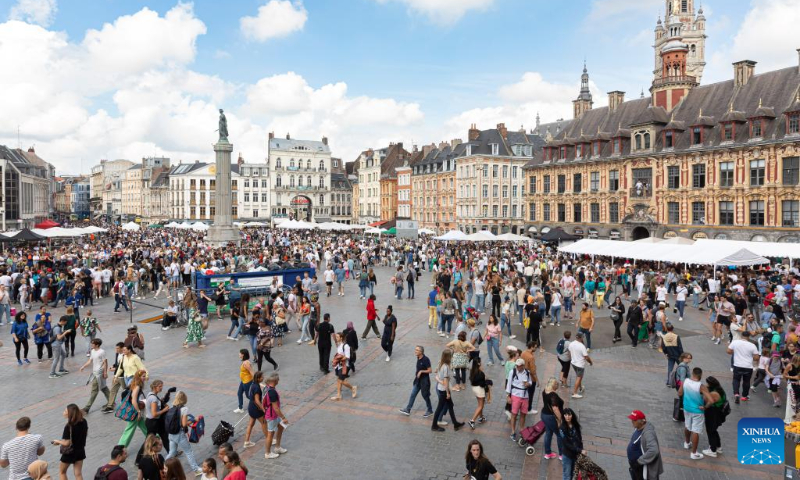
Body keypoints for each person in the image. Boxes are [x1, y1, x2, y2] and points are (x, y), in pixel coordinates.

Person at [678, 367, 714, 460]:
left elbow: (680, 393)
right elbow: (711, 400)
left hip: (686, 408)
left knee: (687, 426)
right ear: (700, 375)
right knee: (696, 431)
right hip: (697, 411)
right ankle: (694, 453)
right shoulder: (701, 386)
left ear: (692, 374)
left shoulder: (685, 381)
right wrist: (705, 407)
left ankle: (687, 443)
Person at [164, 392, 202, 475]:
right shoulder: (184, 409)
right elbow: (184, 424)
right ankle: (196, 469)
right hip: (179, 435)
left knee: (172, 452)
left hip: (171, 434)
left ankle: (163, 467)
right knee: (189, 452)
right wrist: (194, 420)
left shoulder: (173, 407)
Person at [431, 349, 464, 432]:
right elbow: (445, 381)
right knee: (439, 408)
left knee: (450, 406)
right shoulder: (446, 367)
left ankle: (455, 423)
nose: (452, 357)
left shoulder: (440, 363)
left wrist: (440, 381)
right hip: (444, 390)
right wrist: (447, 393)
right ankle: (434, 426)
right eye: (451, 356)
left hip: (441, 388)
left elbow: (436, 375)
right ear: (448, 357)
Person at [53, 404, 88, 480]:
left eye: (65, 411)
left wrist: (58, 441)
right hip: (80, 450)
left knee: (62, 472)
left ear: (70, 414)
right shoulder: (84, 421)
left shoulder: (69, 426)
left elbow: (67, 443)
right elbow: (85, 434)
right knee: (78, 474)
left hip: (70, 452)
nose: (63, 412)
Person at [627, 410, 663, 480]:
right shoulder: (637, 428)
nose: (632, 421)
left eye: (634, 420)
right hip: (635, 466)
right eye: (632, 419)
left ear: (642, 421)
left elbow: (654, 450)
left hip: (642, 467)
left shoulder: (648, 434)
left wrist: (639, 462)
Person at [399, 345, 433, 417]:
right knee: (413, 394)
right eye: (415, 350)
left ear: (421, 352)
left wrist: (421, 371)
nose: (415, 351)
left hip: (424, 382)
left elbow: (430, 370)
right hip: (418, 381)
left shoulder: (426, 359)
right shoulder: (418, 357)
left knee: (425, 396)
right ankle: (408, 409)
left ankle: (430, 410)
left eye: (417, 350)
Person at [727, 331, 760, 403]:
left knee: (736, 380)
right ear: (749, 336)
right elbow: (757, 358)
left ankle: (736, 394)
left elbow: (728, 351)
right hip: (748, 366)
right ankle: (744, 396)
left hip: (737, 365)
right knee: (746, 381)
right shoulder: (752, 345)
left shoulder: (735, 342)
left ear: (741, 335)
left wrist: (735, 353)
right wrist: (751, 357)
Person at [79, 338, 110, 413]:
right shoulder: (92, 351)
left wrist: (105, 372)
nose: (91, 344)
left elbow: (105, 362)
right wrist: (83, 366)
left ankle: (87, 408)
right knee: (103, 387)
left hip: (100, 372)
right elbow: (90, 360)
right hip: (95, 372)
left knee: (94, 390)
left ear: (97, 345)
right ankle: (111, 402)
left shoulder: (102, 352)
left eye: (93, 343)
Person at [118, 370, 148, 447]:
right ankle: (121, 447)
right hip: (134, 411)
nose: (145, 378)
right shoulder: (137, 386)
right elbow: (133, 400)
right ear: (139, 377)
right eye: (143, 376)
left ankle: (153, 438)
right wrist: (138, 412)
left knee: (144, 425)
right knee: (129, 429)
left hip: (135, 410)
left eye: (145, 376)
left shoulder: (133, 383)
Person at [262, 373, 289, 460]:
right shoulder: (272, 392)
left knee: (281, 427)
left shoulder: (267, 388)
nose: (278, 381)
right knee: (270, 434)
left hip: (273, 414)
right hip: (272, 415)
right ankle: (267, 453)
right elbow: (276, 408)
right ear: (274, 380)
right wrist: (283, 418)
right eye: (278, 379)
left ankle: (277, 447)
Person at [506, 358, 532, 441]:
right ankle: (513, 432)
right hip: (515, 396)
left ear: (523, 366)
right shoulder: (512, 372)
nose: (517, 367)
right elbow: (509, 384)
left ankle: (522, 430)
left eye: (519, 366)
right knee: (514, 414)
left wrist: (528, 384)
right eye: (517, 365)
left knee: (523, 414)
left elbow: (530, 382)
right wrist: (508, 396)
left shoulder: (527, 372)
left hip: (525, 396)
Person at [243, 371, 268, 450]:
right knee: (264, 423)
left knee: (250, 424)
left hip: (251, 407)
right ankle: (269, 438)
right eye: (262, 377)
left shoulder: (253, 384)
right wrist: (263, 409)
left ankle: (246, 442)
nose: (263, 378)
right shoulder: (256, 387)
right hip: (256, 409)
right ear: (258, 378)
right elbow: (257, 400)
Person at [702, 376, 727, 458]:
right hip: (718, 412)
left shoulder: (714, 393)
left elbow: (708, 401)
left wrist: (705, 407)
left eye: (707, 383)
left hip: (712, 413)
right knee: (714, 430)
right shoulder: (720, 390)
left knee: (710, 431)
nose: (706, 384)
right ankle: (718, 447)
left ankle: (712, 450)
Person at [557, 408, 585, 480]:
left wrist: (581, 449)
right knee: (567, 476)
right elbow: (567, 444)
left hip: (575, 455)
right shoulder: (562, 428)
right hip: (567, 455)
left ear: (572, 415)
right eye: (565, 415)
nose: (567, 417)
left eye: (569, 414)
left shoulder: (575, 426)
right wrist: (579, 450)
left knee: (573, 474)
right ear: (563, 416)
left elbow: (579, 439)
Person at [541, 378, 565, 460]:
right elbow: (555, 408)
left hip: (544, 415)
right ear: (553, 385)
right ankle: (561, 455)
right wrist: (560, 419)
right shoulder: (553, 395)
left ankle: (548, 453)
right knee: (559, 434)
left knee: (548, 433)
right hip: (551, 417)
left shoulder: (545, 391)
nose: (558, 385)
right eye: (556, 384)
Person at [331, 332, 357, 400]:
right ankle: (339, 395)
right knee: (339, 380)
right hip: (339, 365)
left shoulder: (346, 346)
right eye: (336, 337)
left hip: (345, 366)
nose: (336, 338)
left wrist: (338, 359)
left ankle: (353, 388)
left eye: (337, 337)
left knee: (341, 380)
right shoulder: (339, 345)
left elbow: (347, 356)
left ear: (341, 338)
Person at [468, 357, 490, 429]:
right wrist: (486, 381)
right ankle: (472, 420)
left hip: (474, 389)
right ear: (479, 363)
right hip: (479, 390)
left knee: (480, 404)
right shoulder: (481, 373)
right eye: (480, 361)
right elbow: (483, 384)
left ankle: (481, 417)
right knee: (481, 406)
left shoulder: (472, 371)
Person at [568, 332, 592, 399]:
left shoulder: (571, 343)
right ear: (581, 338)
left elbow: (569, 352)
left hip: (573, 363)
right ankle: (575, 393)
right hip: (580, 365)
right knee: (579, 377)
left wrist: (572, 359)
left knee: (578, 376)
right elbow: (586, 357)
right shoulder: (582, 346)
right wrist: (591, 362)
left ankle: (580, 387)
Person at [519, 341, 539, 414]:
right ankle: (528, 409)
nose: (536, 349)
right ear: (532, 347)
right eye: (535, 347)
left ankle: (522, 406)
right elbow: (533, 371)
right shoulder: (531, 357)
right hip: (530, 378)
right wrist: (537, 380)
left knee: (524, 393)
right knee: (530, 394)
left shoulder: (523, 353)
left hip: (523, 376)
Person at [233, 350, 254, 414]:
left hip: (247, 382)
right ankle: (240, 408)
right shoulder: (244, 362)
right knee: (239, 393)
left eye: (240, 353)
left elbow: (251, 372)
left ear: (243, 355)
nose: (239, 354)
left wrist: (255, 380)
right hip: (243, 381)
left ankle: (258, 404)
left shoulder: (246, 363)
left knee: (248, 396)